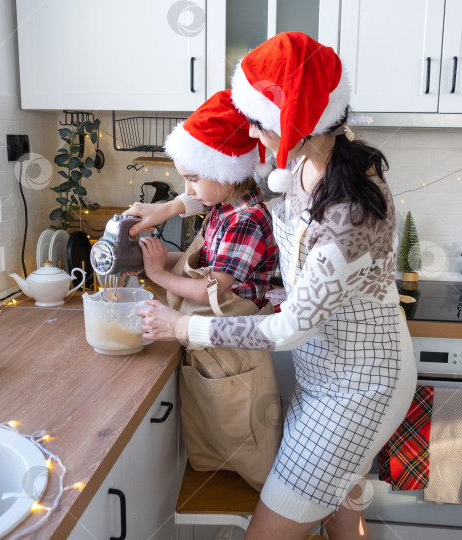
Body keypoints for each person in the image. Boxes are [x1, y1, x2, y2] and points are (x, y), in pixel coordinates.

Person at [135, 32, 418, 539]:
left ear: (296, 123)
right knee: (342, 512)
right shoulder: (309, 161)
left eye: (260, 122)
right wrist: (172, 206)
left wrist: (182, 327)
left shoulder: (348, 211)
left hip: (361, 387)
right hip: (326, 376)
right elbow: (234, 184)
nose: (253, 133)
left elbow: (288, 330)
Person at [124, 89, 282, 491]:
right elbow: (201, 203)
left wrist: (159, 274)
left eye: (192, 177)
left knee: (243, 430)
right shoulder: (226, 204)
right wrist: (165, 211)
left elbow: (211, 290)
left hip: (232, 345)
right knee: (217, 426)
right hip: (213, 343)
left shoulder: (244, 218)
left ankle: (258, 508)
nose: (187, 188)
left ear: (227, 170)